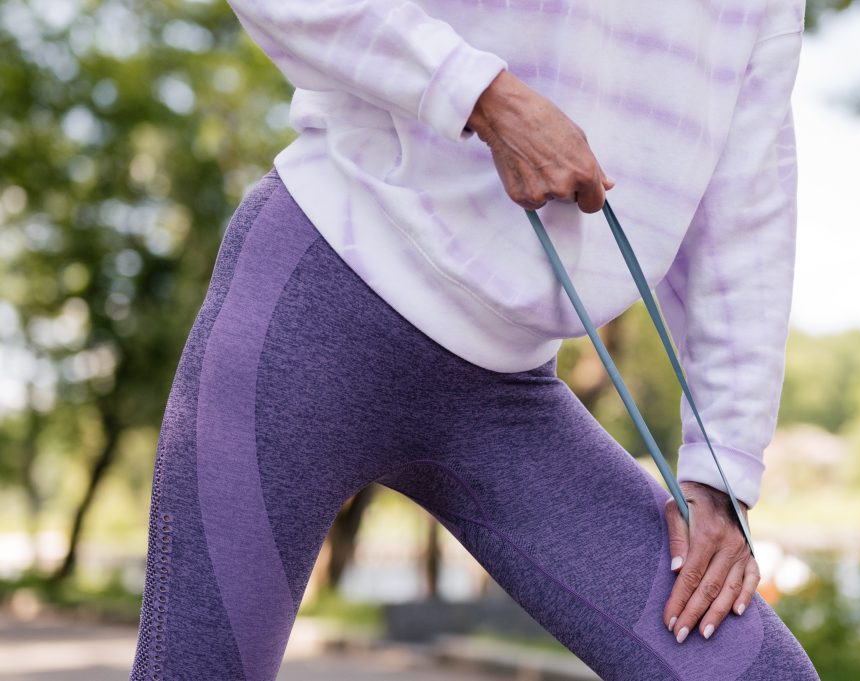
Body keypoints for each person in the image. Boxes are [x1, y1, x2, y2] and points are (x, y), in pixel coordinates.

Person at [128, 0, 819, 679]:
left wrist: (721, 470)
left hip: (507, 401)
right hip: (314, 314)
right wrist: (485, 98)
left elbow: (747, 211)